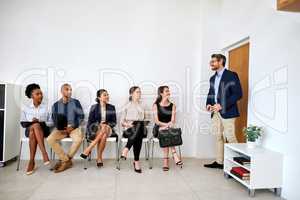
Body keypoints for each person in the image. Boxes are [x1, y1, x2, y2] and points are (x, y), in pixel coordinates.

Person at [204, 54, 242, 169]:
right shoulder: (212, 78)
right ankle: (219, 162)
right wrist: (208, 104)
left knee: (230, 137)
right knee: (218, 137)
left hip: (228, 111)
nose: (211, 63)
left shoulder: (231, 75)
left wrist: (222, 105)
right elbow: (211, 93)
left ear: (221, 62)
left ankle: (238, 164)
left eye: (214, 61)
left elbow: (238, 94)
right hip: (215, 113)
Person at [47, 83, 84, 173]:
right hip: (61, 128)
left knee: (79, 139)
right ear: (61, 91)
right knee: (50, 139)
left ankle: (63, 161)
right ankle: (66, 161)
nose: (70, 91)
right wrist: (60, 128)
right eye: (67, 89)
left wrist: (73, 127)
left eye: (71, 90)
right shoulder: (56, 105)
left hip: (73, 127)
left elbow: (81, 116)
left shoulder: (76, 102)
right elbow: (54, 118)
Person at [80, 89, 117, 167]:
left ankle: (89, 148)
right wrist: (97, 126)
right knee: (103, 135)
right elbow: (90, 122)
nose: (107, 96)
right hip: (96, 129)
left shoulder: (111, 107)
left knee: (104, 127)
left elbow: (114, 122)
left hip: (108, 128)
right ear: (99, 97)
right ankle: (99, 157)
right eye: (105, 95)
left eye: (107, 94)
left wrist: (105, 124)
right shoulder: (94, 107)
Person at [20, 83, 51, 175]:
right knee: (34, 127)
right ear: (31, 96)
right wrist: (32, 122)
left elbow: (51, 122)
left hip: (44, 130)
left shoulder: (46, 107)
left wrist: (40, 120)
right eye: (37, 94)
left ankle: (31, 161)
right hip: (29, 129)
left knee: (36, 126)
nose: (40, 95)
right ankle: (44, 154)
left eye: (41, 93)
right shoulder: (26, 108)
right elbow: (23, 123)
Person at [152, 86, 183, 171]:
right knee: (165, 132)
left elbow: (172, 121)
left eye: (169, 91)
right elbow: (157, 121)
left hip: (168, 128)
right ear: (161, 93)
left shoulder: (173, 106)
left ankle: (166, 162)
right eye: (166, 91)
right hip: (158, 128)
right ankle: (174, 154)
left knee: (166, 133)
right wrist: (165, 125)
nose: (168, 92)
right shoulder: (155, 105)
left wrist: (167, 126)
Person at [120, 86, 148, 173]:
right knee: (137, 136)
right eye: (137, 92)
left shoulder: (143, 105)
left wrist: (138, 123)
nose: (139, 93)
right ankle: (136, 162)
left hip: (142, 129)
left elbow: (147, 120)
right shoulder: (126, 105)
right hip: (129, 130)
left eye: (140, 92)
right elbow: (121, 121)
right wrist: (128, 125)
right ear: (131, 94)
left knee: (139, 124)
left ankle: (126, 149)